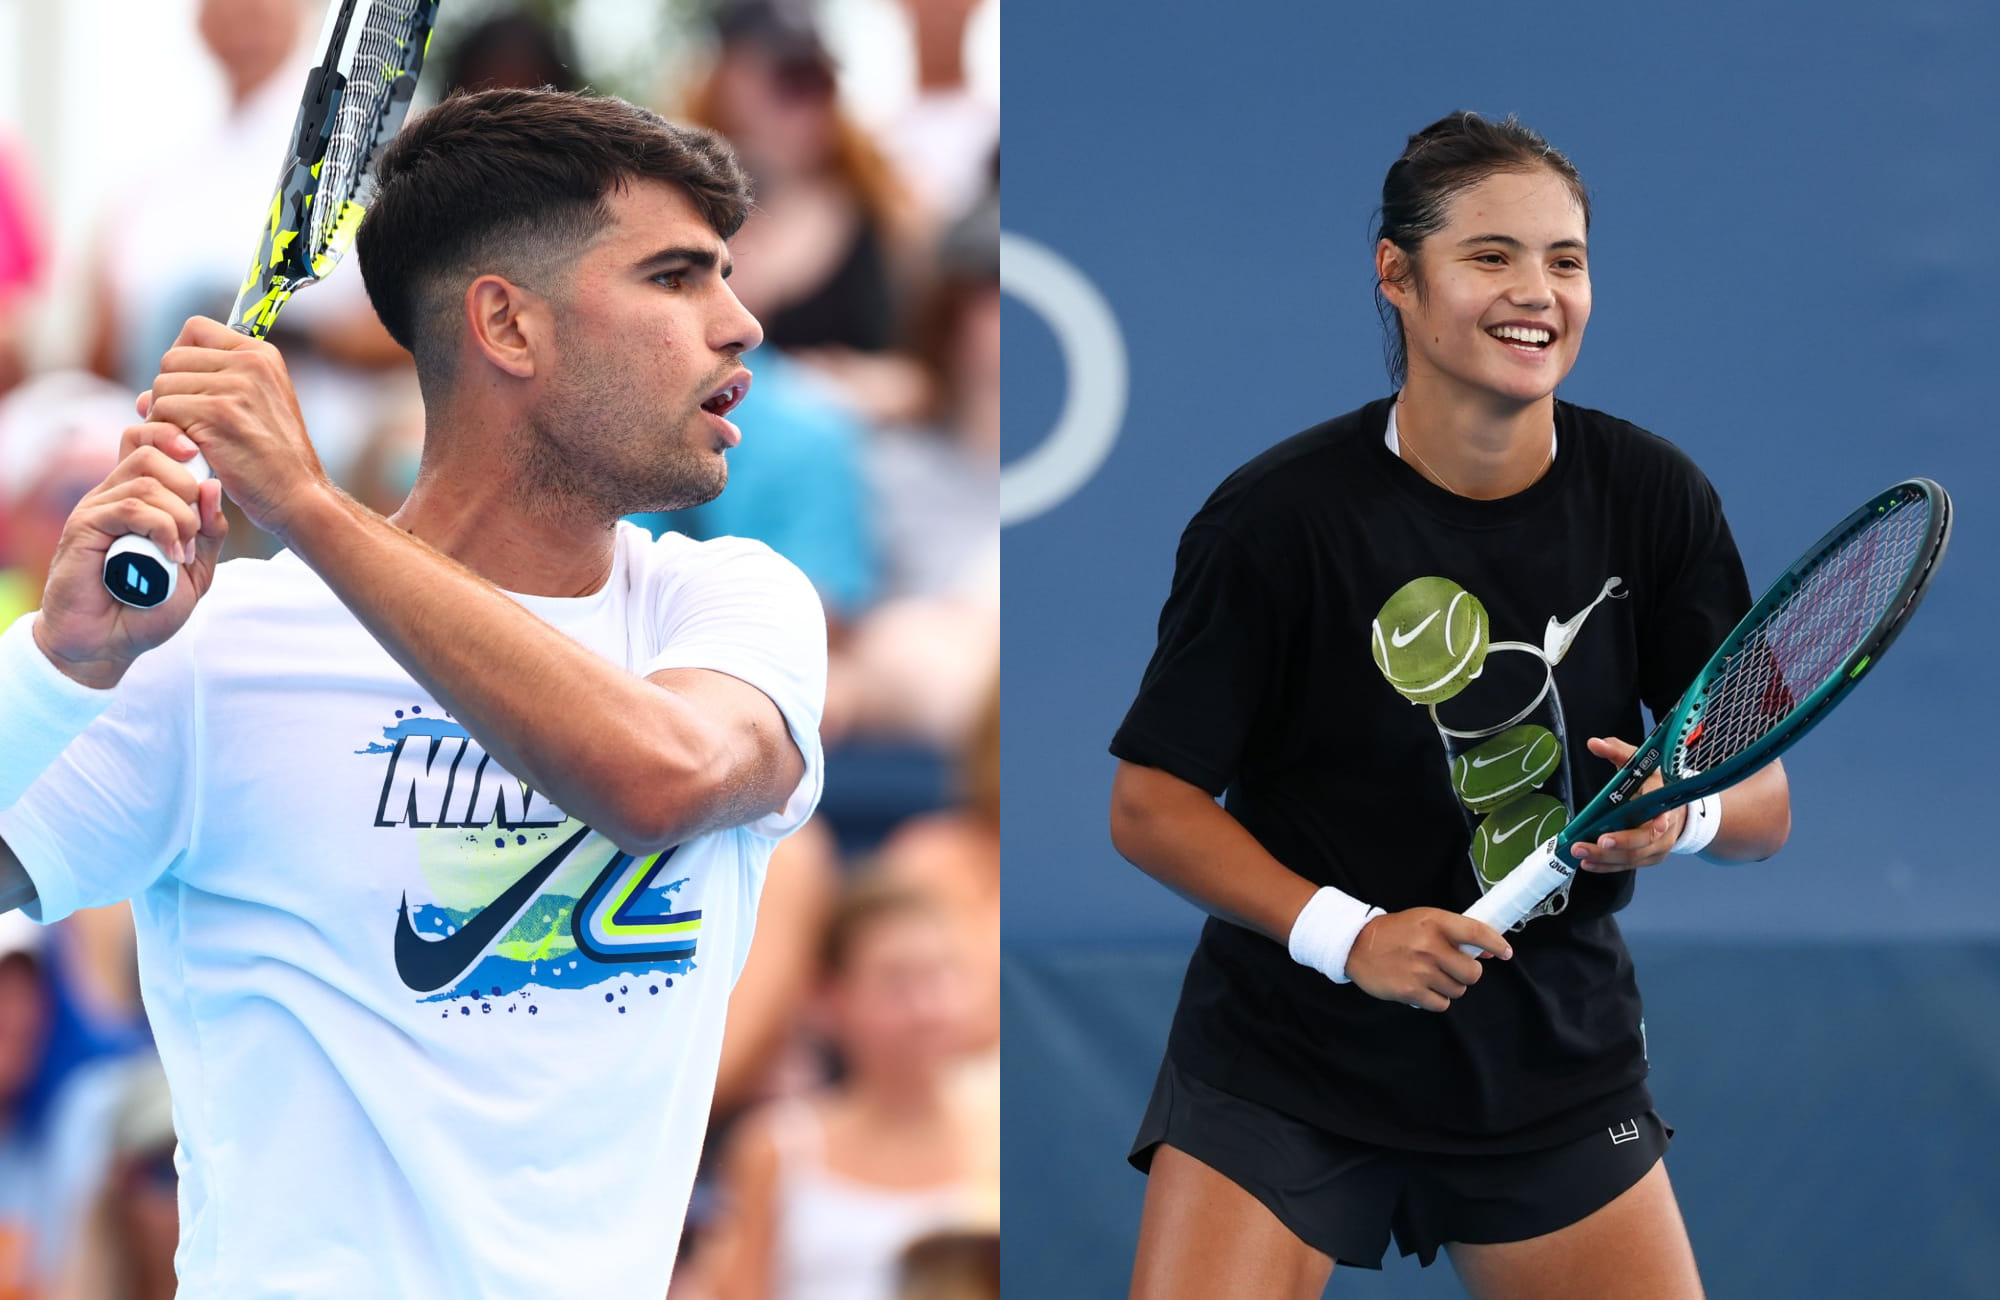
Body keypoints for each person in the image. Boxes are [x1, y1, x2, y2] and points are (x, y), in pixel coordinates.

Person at [0, 86, 825, 1300]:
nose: (739, 323)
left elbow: (667, 779)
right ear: (507, 323)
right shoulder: (215, 652)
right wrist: (56, 668)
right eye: (674, 278)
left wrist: (311, 511)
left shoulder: (727, 606)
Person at [1107, 111, 1792, 1299]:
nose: (1537, 292)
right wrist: (1350, 935)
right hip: (1285, 1059)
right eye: (1490, 255)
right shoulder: (1273, 520)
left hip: (1547, 1059)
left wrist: (1675, 818)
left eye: (1564, 260)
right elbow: (1150, 804)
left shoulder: (1655, 494)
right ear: (1396, 274)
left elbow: (1763, 802)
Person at [698, 878, 986, 1300]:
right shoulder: (776, 1146)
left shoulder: (1002, 1130)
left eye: (940, 975)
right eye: (896, 981)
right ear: (831, 996)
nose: (926, 1008)